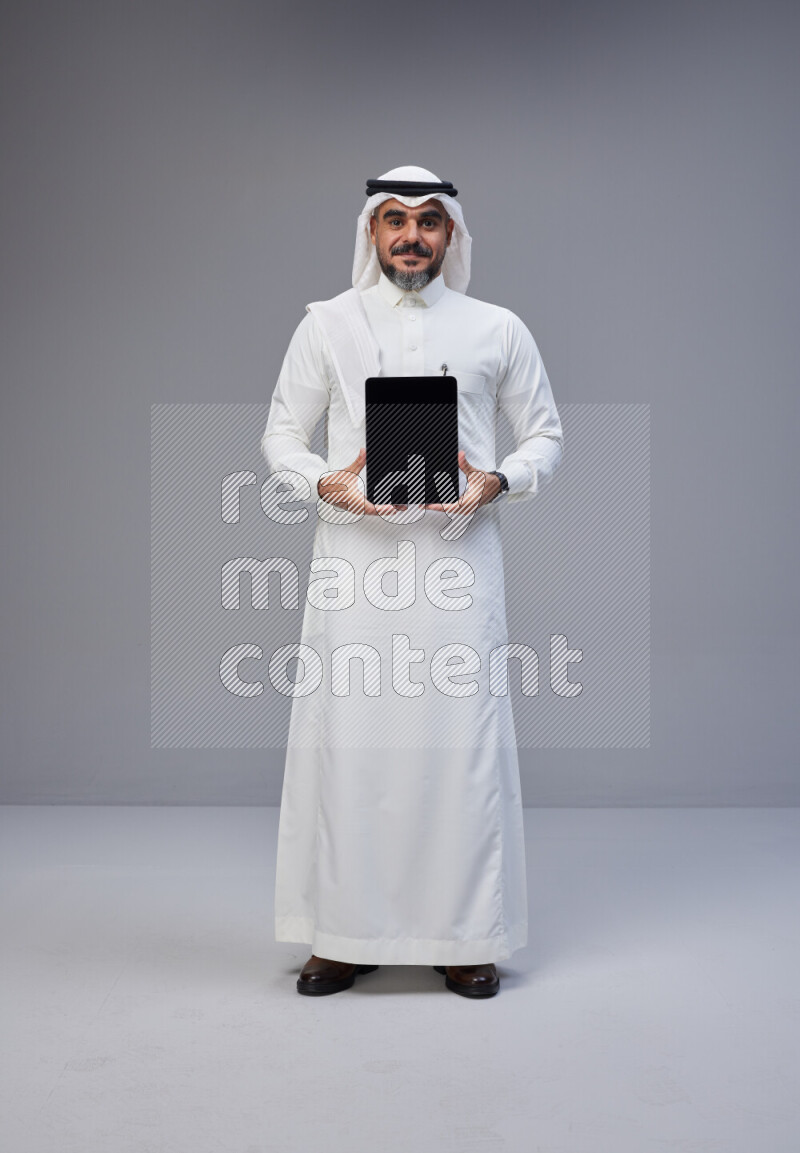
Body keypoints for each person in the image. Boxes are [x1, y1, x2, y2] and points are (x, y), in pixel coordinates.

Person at [260, 165, 563, 998]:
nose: (411, 236)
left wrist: (496, 481)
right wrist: (326, 481)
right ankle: (343, 935)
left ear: (453, 235)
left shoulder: (497, 327)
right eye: (394, 219)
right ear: (370, 231)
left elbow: (544, 433)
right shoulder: (326, 323)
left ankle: (465, 935)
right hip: (354, 567)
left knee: (458, 748)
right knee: (351, 745)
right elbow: (282, 433)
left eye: (429, 221)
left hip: (459, 565)